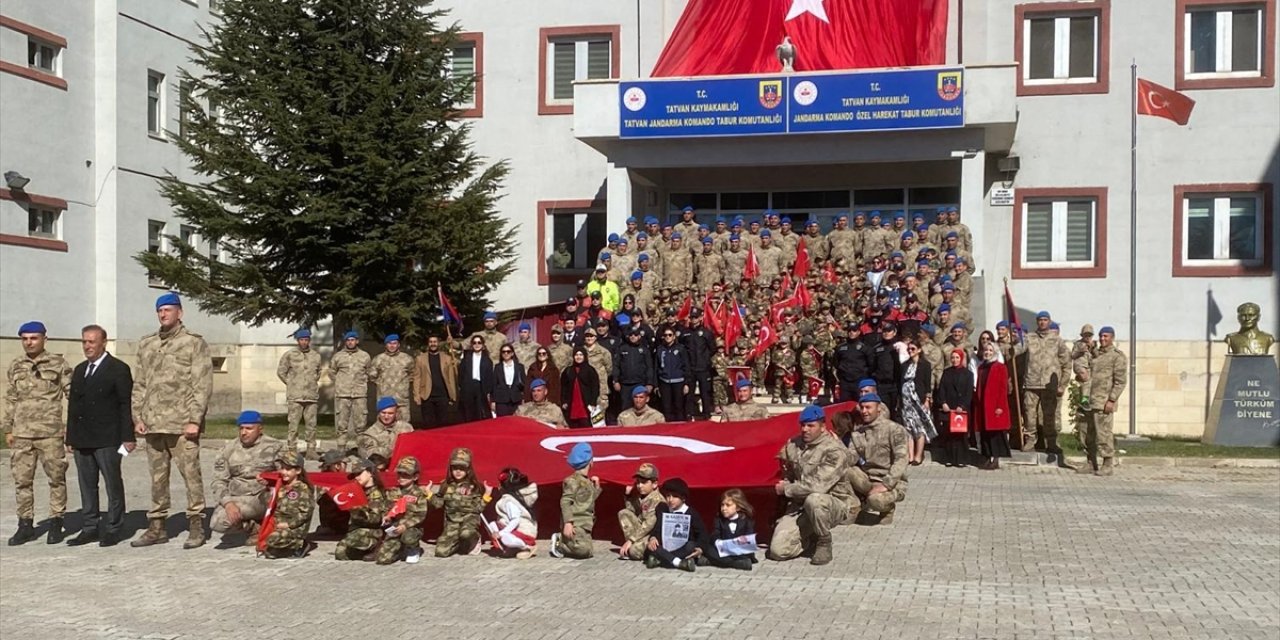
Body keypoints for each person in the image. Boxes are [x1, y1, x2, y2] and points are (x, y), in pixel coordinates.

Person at [131, 292, 213, 549]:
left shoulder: (193, 343)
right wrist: (138, 417)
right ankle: (157, 526)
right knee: (157, 478)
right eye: (160, 310)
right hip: (154, 423)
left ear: (180, 312)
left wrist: (194, 420)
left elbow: (202, 385)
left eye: (168, 309)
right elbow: (140, 384)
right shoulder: (147, 344)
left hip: (182, 425)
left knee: (191, 476)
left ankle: (197, 525)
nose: (163, 314)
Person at [64, 324, 134, 547]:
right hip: (83, 438)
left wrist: (128, 437)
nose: (87, 346)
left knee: (112, 484)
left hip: (108, 438)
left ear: (104, 342)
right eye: (84, 341)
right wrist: (70, 437)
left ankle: (114, 527)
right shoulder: (79, 369)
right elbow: (74, 405)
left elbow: (125, 405)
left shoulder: (118, 368)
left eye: (92, 341)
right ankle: (90, 527)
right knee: (86, 485)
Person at [5, 320, 73, 546]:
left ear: (44, 338)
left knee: (56, 478)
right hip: (22, 433)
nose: (29, 342)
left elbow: (71, 395)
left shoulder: (58, 363)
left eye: (33, 338)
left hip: (50, 433)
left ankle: (56, 521)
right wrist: (8, 428)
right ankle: (25, 524)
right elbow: (11, 398)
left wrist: (71, 427)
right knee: (22, 481)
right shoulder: (16, 365)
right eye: (24, 339)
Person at [768, 405, 854, 565]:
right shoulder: (794, 444)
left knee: (814, 500)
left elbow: (817, 486)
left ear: (822, 427)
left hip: (831, 504)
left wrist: (786, 489)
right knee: (778, 551)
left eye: (811, 425)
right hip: (799, 507)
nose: (805, 429)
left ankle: (824, 541)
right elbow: (783, 469)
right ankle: (809, 536)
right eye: (803, 425)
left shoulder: (834, 450)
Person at [210, 410, 283, 544]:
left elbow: (289, 474)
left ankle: (275, 527)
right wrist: (228, 503)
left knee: (284, 499)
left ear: (260, 428)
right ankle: (253, 528)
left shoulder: (275, 447)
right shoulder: (228, 449)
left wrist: (271, 480)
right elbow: (218, 481)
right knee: (217, 523)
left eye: (249, 428)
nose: (244, 432)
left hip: (263, 497)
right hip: (239, 498)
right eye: (241, 428)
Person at [846, 394, 910, 524]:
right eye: (862, 408)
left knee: (876, 501)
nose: (864, 411)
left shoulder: (894, 429)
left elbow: (901, 459)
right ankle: (855, 506)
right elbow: (851, 458)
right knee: (843, 470)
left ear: (879, 408)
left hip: (891, 481)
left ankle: (888, 509)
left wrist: (886, 484)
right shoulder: (858, 433)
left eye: (868, 407)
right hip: (867, 479)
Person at [1016, 311, 1071, 453]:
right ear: (1037, 322)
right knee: (1029, 414)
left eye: (1045, 320)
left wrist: (1063, 384)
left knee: (1049, 415)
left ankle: (1051, 442)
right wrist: (1012, 345)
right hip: (1031, 383)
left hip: (1049, 385)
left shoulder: (1057, 340)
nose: (1042, 322)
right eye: (1040, 320)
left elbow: (1066, 363)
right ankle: (1030, 440)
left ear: (1049, 321)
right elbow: (1016, 351)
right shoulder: (1029, 338)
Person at [1080, 326, 1128, 476]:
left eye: (1106, 336)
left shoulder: (1117, 357)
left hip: (1103, 402)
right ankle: (1090, 462)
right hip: (1089, 400)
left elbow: (1120, 381)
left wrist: (1112, 400)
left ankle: (1107, 463)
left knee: (1104, 434)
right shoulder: (1095, 355)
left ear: (1112, 337)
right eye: (1101, 336)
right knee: (1087, 433)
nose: (1102, 339)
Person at [431, 447, 492, 557]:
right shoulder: (445, 485)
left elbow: (478, 508)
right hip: (452, 522)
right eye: (455, 468)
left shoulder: (474, 486)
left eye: (462, 468)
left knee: (466, 533)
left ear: (468, 469)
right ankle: (457, 542)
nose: (458, 471)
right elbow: (438, 504)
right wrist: (429, 494)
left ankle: (475, 538)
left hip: (469, 520)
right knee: (441, 552)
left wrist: (487, 495)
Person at [260, 451, 315, 559]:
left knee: (271, 540)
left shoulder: (302, 489)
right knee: (269, 550)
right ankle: (286, 549)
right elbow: (269, 503)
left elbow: (306, 513)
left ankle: (300, 544)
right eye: (282, 468)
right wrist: (267, 488)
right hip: (279, 525)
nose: (284, 472)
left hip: (295, 528)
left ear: (298, 470)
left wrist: (289, 525)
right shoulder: (281, 486)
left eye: (288, 469)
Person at [277, 328, 323, 459]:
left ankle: (311, 450)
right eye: (302, 340)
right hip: (295, 396)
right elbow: (281, 372)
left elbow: (318, 372)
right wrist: (291, 383)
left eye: (306, 340)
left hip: (311, 396)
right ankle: (292, 450)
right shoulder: (290, 355)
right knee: (293, 425)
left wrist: (311, 383)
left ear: (309, 340)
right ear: (298, 341)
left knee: (311, 425)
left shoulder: (316, 355)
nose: (304, 342)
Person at [644, 477, 706, 572]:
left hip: (683, 548)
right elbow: (657, 528)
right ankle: (680, 563)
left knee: (691, 546)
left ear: (683, 498)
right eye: (668, 496)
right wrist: (653, 538)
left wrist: (700, 549)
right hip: (665, 546)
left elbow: (702, 534)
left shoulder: (691, 513)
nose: (670, 499)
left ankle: (660, 560)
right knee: (651, 547)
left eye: (675, 496)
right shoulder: (663, 510)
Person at [550, 442, 601, 559]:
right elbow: (565, 501)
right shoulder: (572, 481)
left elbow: (587, 502)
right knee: (583, 551)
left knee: (588, 552)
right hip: (576, 523)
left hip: (585, 525)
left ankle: (567, 542)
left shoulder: (586, 481)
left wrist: (596, 488)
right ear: (591, 461)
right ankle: (560, 543)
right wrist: (568, 523)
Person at [378, 455, 431, 564]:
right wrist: (387, 517)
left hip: (411, 528)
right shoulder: (392, 491)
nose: (401, 477)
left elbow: (420, 515)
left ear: (415, 477)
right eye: (400, 474)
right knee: (383, 559)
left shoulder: (419, 493)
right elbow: (387, 508)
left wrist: (405, 526)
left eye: (406, 475)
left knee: (409, 537)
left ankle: (413, 548)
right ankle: (399, 548)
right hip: (395, 528)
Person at [334, 458, 387, 561]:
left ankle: (377, 546)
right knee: (340, 553)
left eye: (359, 473)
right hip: (357, 529)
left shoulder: (375, 494)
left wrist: (357, 511)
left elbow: (375, 519)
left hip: (373, 531)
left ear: (370, 472)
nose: (356, 478)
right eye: (354, 475)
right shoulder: (358, 491)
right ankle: (366, 551)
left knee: (353, 539)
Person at [973, 342, 1013, 471]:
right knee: (984, 432)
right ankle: (986, 456)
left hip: (995, 405)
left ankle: (995, 459)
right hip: (982, 406)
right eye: (986, 350)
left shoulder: (1000, 367)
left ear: (995, 352)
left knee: (995, 433)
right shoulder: (981, 368)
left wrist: (1000, 406)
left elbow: (1003, 388)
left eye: (990, 350)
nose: (988, 352)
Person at [330, 330, 370, 451]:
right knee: (342, 424)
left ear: (357, 341)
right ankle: (341, 450)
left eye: (353, 340)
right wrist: (340, 383)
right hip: (343, 395)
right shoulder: (338, 356)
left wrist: (362, 383)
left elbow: (369, 372)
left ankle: (362, 450)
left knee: (361, 424)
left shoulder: (365, 356)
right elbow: (332, 372)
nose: (350, 342)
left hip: (360, 394)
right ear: (345, 342)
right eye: (348, 340)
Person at [899, 337, 936, 465]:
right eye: (909, 349)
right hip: (906, 401)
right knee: (908, 428)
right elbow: (900, 382)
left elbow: (927, 384)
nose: (910, 351)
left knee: (919, 427)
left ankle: (918, 456)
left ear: (919, 350)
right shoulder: (904, 365)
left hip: (918, 400)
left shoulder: (925, 365)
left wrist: (927, 399)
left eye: (913, 349)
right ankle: (910, 456)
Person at [934, 348, 974, 467]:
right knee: (949, 434)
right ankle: (949, 458)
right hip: (949, 408)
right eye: (953, 357)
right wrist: (943, 403)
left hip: (961, 409)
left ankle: (961, 459)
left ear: (961, 359)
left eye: (957, 357)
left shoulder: (968, 374)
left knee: (961, 435)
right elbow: (941, 389)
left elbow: (968, 393)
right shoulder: (947, 372)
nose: (955, 360)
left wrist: (962, 406)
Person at [489, 466, 539, 559]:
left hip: (523, 532)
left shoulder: (509, 502)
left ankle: (526, 547)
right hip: (512, 529)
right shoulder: (508, 499)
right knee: (492, 525)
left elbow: (515, 520)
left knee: (505, 538)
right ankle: (513, 548)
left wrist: (502, 533)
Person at [702, 488, 757, 571]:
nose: (724, 508)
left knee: (744, 553)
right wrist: (718, 542)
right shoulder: (719, 519)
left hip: (740, 550)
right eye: (722, 505)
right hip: (724, 549)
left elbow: (749, 537)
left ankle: (710, 561)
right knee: (707, 548)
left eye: (728, 505)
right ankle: (737, 564)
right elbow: (715, 533)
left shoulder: (746, 520)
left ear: (738, 507)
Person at [618, 463, 663, 561]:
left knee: (634, 552)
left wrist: (631, 540)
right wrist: (628, 496)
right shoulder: (642, 496)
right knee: (623, 513)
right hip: (642, 531)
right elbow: (631, 511)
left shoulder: (657, 500)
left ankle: (650, 553)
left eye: (643, 482)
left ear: (655, 484)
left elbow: (649, 525)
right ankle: (631, 546)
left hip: (653, 535)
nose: (639, 485)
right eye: (638, 482)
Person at [412, 335, 458, 429]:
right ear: (428, 344)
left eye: (435, 342)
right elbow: (417, 378)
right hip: (427, 396)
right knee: (429, 424)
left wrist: (452, 395)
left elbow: (451, 378)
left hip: (442, 395)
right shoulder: (420, 359)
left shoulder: (447, 358)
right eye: (431, 342)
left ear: (438, 343)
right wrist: (417, 395)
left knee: (443, 423)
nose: (433, 344)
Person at [369, 334, 414, 423]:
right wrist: (382, 384)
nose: (392, 345)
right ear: (386, 345)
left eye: (394, 343)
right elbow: (372, 376)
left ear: (398, 345)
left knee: (404, 424)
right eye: (389, 343)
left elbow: (413, 375)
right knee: (384, 424)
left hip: (401, 399)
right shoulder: (379, 359)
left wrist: (403, 385)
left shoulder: (407, 359)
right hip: (385, 397)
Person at [458, 334, 495, 423]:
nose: (477, 344)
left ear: (482, 345)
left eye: (479, 342)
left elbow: (489, 377)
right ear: (472, 345)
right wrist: (463, 386)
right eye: (474, 343)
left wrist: (488, 391)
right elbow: (461, 374)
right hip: (468, 386)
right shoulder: (466, 358)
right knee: (468, 412)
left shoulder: (487, 360)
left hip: (481, 387)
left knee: (480, 412)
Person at [655, 327, 690, 421]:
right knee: (666, 408)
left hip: (678, 382)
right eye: (665, 335)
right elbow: (656, 367)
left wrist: (686, 383)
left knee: (679, 407)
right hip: (664, 382)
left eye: (670, 335)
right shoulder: (660, 349)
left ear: (674, 336)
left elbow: (686, 366)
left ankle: (680, 429)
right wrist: (656, 385)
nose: (668, 337)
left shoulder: (681, 349)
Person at [560, 347, 600, 428]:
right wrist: (564, 401)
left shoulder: (590, 370)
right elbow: (563, 387)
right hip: (571, 405)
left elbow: (595, 387)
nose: (578, 357)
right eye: (576, 355)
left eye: (581, 355)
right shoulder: (568, 370)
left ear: (584, 356)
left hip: (586, 405)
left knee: (586, 426)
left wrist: (593, 403)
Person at [491, 344, 526, 417]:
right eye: (503, 352)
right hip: (501, 400)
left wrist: (524, 399)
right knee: (502, 423)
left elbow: (524, 383)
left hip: (516, 399)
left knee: (516, 423)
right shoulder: (498, 367)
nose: (506, 353)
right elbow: (494, 385)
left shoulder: (520, 367)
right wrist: (493, 401)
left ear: (512, 353)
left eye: (508, 351)